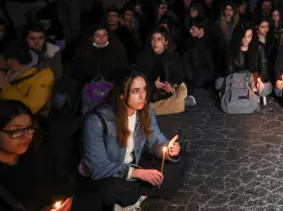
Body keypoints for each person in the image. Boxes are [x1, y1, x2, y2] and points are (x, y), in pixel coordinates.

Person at [81, 71, 189, 209]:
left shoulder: (145, 111)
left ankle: (137, 197)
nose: (142, 96)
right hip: (112, 173)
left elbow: (156, 141)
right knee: (108, 189)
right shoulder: (96, 121)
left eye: (144, 90)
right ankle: (140, 192)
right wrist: (137, 173)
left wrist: (169, 150)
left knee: (181, 157)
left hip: (135, 164)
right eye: (135, 91)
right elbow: (99, 168)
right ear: (122, 95)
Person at [0, 100, 73, 211]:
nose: (27, 136)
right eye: (16, 130)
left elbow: (55, 190)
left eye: (30, 127)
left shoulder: (37, 156)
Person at [0, 40, 55, 118]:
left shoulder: (43, 76)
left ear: (10, 61)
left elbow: (29, 110)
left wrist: (5, 87)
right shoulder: (11, 69)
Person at [182, 17, 215, 100]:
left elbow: (212, 62)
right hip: (195, 77)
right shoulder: (190, 41)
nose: (190, 31)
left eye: (193, 29)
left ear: (201, 29)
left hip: (206, 76)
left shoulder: (211, 41)